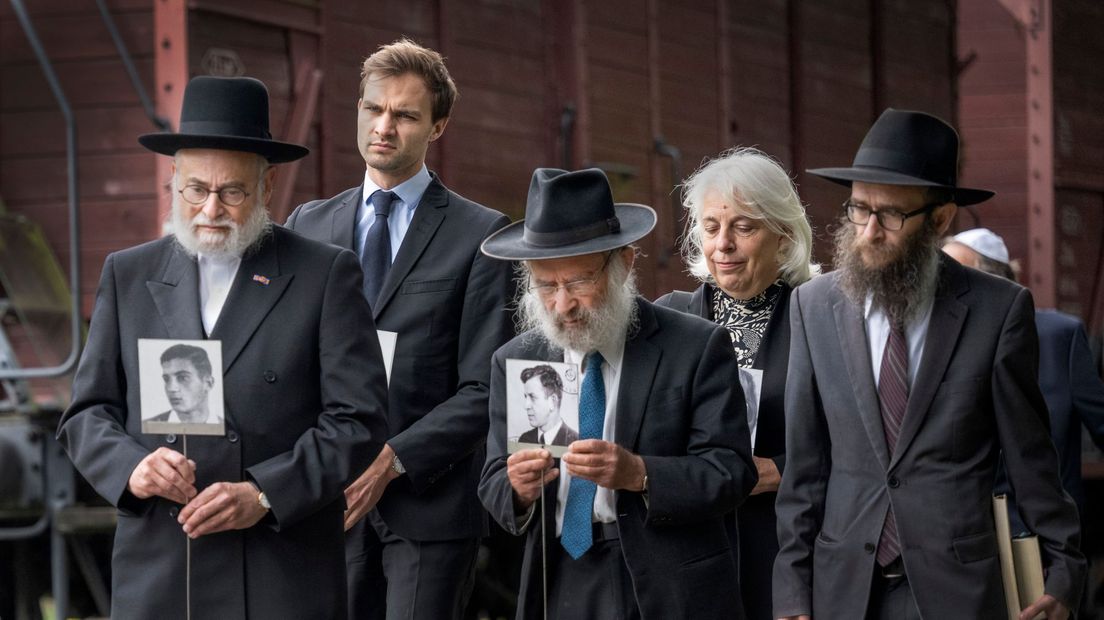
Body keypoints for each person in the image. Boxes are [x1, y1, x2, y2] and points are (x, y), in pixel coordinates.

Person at [56, 76, 389, 619]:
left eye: (231, 191)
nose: (211, 208)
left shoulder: (324, 274)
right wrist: (131, 469)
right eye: (196, 189)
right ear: (173, 181)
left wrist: (263, 495)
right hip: (162, 567)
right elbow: (87, 413)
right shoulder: (128, 273)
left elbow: (359, 420)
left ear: (265, 187)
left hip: (278, 569)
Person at [773, 109, 1086, 620]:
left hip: (955, 590)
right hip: (844, 589)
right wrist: (791, 592)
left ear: (940, 219)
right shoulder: (813, 306)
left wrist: (1065, 573)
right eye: (858, 209)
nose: (869, 231)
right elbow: (804, 470)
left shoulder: (998, 311)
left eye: (891, 215)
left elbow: (1031, 459)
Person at [285, 38, 514, 620]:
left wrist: (390, 461)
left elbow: (484, 388)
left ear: (438, 126)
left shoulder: (480, 236)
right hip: (324, 504)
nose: (384, 126)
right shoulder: (305, 228)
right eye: (373, 109)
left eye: (405, 115)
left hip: (428, 508)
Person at [478, 167, 757, 619]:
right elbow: (492, 481)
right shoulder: (518, 357)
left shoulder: (695, 346)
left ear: (624, 262)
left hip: (669, 583)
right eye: (546, 285)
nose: (562, 304)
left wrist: (640, 473)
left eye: (579, 282)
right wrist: (516, 490)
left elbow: (731, 471)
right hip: (562, 577)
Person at [655, 147, 818, 620]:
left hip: (787, 548)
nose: (722, 244)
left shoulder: (818, 317)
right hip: (689, 551)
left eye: (743, 227)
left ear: (784, 236)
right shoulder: (668, 315)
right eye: (710, 227)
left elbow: (859, 438)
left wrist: (784, 471)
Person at [943, 228, 1104, 531]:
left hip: (1045, 536)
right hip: (969, 540)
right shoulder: (934, 344)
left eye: (955, 274)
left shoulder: (1058, 336)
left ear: (990, 282)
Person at [151, 344, 218, 424]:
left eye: (183, 378)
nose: (171, 388)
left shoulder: (229, 427)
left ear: (208, 384)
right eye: (166, 379)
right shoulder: (149, 425)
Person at [517, 364, 579, 447]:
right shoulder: (524, 439)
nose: (526, 406)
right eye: (526, 397)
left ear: (552, 401)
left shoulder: (575, 441)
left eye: (533, 397)